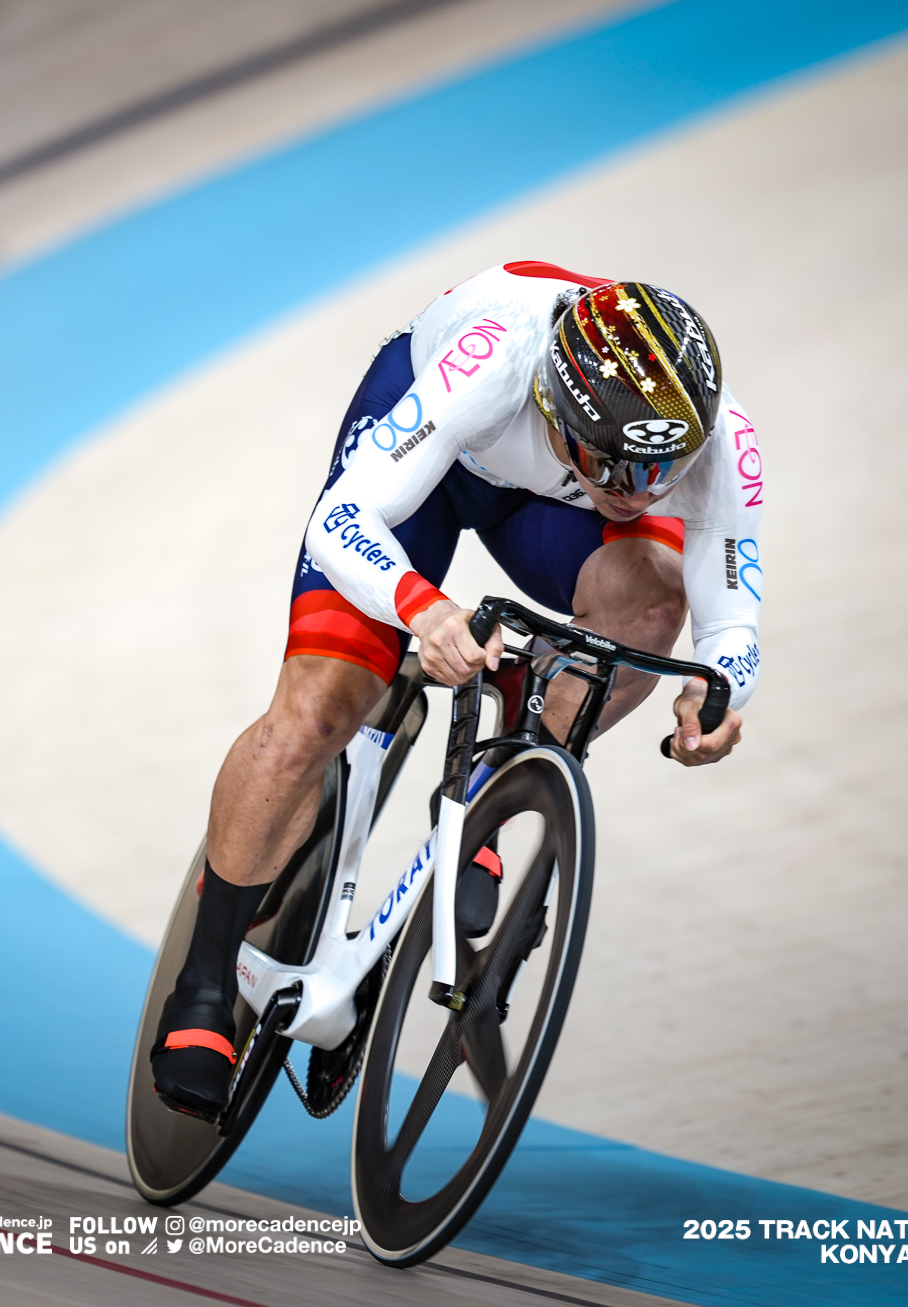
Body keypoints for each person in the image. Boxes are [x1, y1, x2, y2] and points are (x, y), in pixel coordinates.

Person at [149, 261, 762, 1116]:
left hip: (546, 500)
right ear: (560, 411)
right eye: (617, 470)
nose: (641, 495)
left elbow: (729, 621)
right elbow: (341, 522)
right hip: (434, 457)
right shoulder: (494, 361)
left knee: (654, 607)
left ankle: (503, 774)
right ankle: (205, 984)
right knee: (314, 716)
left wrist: (721, 693)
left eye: (661, 473)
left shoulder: (708, 431)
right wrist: (421, 607)